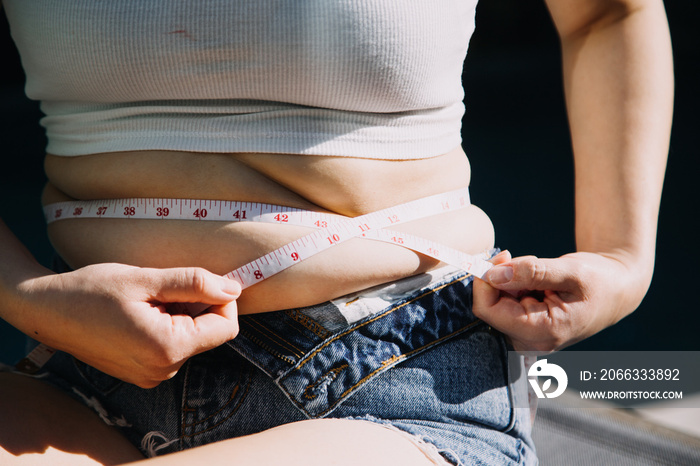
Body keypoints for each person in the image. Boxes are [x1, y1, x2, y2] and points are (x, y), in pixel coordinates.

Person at [0, 0, 673, 464]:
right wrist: (26, 295)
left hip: (399, 378)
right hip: (87, 380)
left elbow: (608, 10)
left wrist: (622, 257)